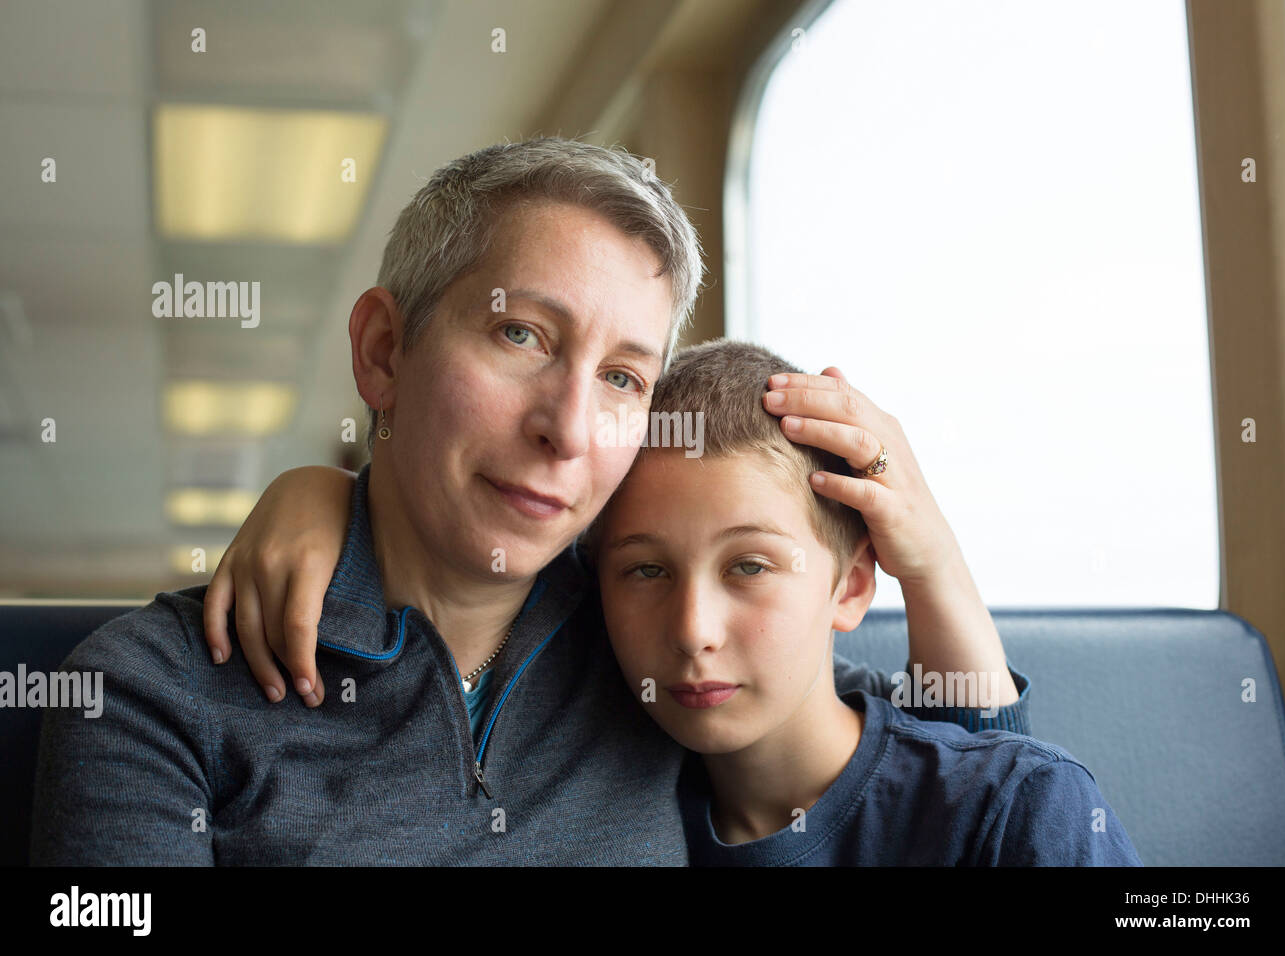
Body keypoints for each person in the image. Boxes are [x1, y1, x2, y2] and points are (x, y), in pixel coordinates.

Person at [31, 137, 1025, 866]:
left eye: (624, 378)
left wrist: (930, 556)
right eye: (523, 338)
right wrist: (323, 488)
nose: (569, 426)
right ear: (385, 350)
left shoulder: (649, 630)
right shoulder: (150, 696)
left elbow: (950, 797)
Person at [587, 340, 1141, 865]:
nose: (693, 630)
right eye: (647, 570)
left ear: (849, 588)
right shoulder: (595, 813)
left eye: (750, 567)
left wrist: (933, 561)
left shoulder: (1027, 803)